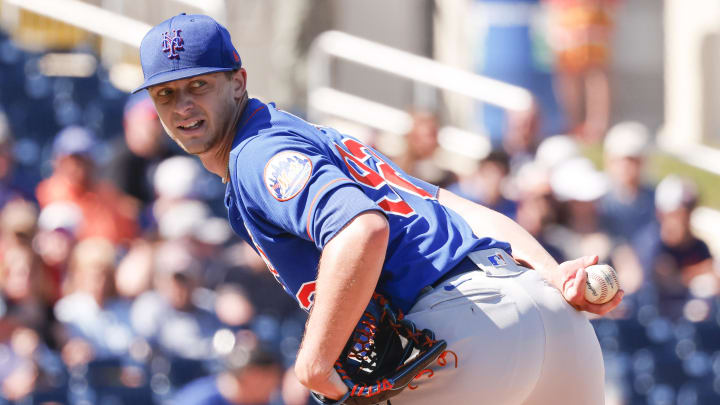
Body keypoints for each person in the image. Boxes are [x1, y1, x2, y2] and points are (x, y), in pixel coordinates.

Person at [133, 14, 622, 405]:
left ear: (238, 82)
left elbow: (360, 231)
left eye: (199, 86)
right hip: (556, 326)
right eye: (166, 94)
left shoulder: (257, 154)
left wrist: (314, 363)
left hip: (465, 335)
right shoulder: (320, 138)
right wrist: (551, 274)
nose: (182, 106)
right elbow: (455, 207)